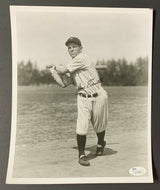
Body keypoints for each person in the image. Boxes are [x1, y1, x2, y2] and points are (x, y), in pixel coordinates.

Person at [48, 37, 108, 166]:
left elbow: (63, 70)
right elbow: (64, 84)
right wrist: (53, 72)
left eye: (74, 46)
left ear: (81, 48)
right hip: (83, 97)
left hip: (99, 96)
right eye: (69, 48)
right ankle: (81, 154)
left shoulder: (83, 58)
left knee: (99, 125)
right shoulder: (73, 66)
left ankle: (100, 143)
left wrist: (56, 67)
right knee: (81, 127)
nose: (71, 49)